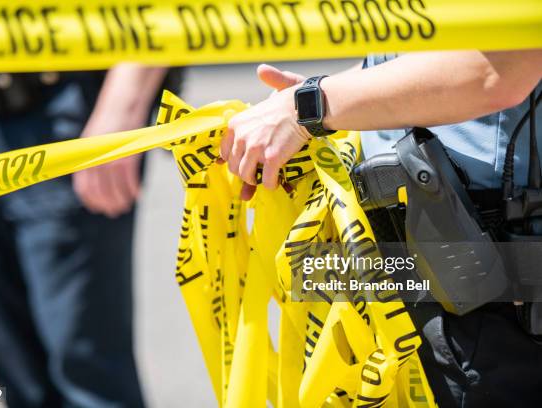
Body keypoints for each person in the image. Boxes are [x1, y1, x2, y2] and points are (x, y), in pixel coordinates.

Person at [220, 51, 542, 407]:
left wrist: (311, 106)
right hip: (416, 276)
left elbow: (499, 70)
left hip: (489, 298)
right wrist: (322, 97)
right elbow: (408, 52)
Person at [0, 65, 182, 407]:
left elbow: (156, 12)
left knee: (90, 378)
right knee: (17, 371)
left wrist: (122, 108)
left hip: (65, 107)